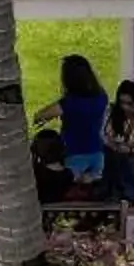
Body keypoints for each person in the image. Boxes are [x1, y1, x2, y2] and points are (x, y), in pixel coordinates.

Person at [36, 53, 111, 192]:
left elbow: (40, 115)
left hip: (75, 155)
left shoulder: (69, 103)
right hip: (98, 154)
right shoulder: (101, 97)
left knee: (71, 190)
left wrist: (47, 117)